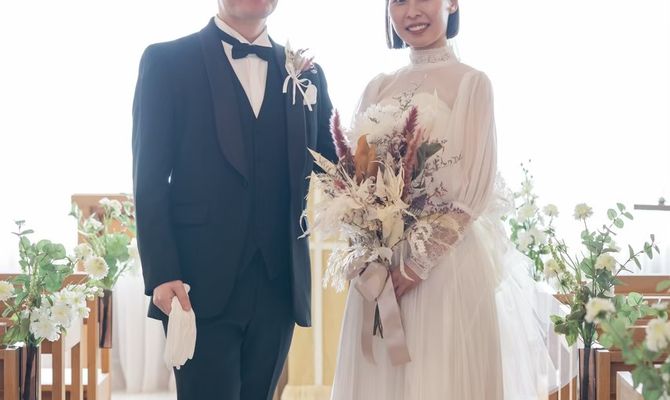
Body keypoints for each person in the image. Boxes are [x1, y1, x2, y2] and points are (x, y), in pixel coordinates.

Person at [330, 0, 567, 398]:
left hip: (445, 274)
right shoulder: (377, 86)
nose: (412, 11)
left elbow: (474, 187)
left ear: (452, 2)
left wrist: (416, 265)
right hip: (381, 275)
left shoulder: (472, 84)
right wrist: (369, 250)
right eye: (399, 0)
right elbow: (356, 180)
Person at [131, 1, 336, 398]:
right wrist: (161, 271)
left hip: (278, 283)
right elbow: (149, 177)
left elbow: (334, 163)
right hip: (196, 282)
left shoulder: (307, 72)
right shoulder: (167, 62)